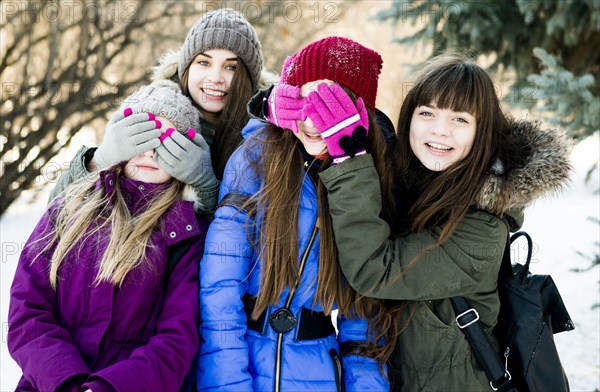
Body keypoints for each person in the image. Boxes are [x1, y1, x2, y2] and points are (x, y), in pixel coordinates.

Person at [312, 53, 572, 390]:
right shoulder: (411, 191)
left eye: (460, 119)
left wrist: (349, 162)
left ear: (483, 132)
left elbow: (374, 269)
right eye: (427, 113)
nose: (439, 130)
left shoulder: (482, 232)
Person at [197, 36, 400, 391]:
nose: (312, 118)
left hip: (318, 372)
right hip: (241, 358)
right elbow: (219, 287)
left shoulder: (370, 182)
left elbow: (366, 325)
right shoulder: (254, 160)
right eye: (303, 98)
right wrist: (228, 384)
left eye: (330, 102)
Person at [8, 80, 208, 391]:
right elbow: (27, 309)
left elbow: (176, 340)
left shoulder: (185, 233)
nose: (150, 151)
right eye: (140, 135)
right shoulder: (69, 207)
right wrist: (65, 381)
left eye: (167, 141)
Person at [48, 8, 267, 214]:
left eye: (231, 67)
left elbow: (249, 235)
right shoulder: (152, 110)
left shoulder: (265, 138)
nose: (216, 78)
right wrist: (100, 160)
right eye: (204, 62)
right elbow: (55, 212)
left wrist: (206, 186)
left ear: (248, 78)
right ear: (187, 67)